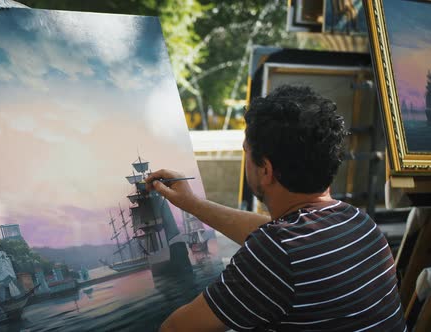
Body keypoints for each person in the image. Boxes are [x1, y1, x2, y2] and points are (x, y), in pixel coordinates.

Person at [146, 85, 406, 331]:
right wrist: (193, 205)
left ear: (266, 170)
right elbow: (275, 237)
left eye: (246, 151)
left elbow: (174, 328)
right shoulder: (359, 223)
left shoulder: (277, 255)